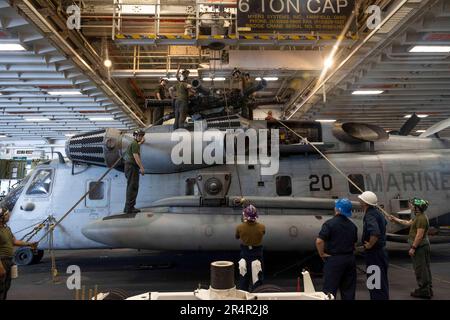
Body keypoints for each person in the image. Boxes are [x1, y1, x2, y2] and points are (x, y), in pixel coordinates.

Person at [389, 197, 432, 299]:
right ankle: (428, 289)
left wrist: (413, 247)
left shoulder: (421, 219)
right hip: (422, 246)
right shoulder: (419, 216)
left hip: (420, 248)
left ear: (417, 207)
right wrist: (395, 219)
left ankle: (424, 291)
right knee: (425, 268)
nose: (410, 205)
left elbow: (419, 235)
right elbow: (408, 223)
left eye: (412, 204)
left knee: (420, 269)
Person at [316, 198, 358, 300]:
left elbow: (319, 241)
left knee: (329, 292)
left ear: (337, 209)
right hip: (350, 259)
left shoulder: (329, 224)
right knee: (348, 291)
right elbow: (355, 244)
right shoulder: (353, 226)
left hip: (334, 260)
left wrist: (321, 254)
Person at [0, 207, 37, 300]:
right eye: (7, 214)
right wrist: (0, 267)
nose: (9, 215)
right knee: (0, 287)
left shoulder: (7, 228)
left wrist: (29, 244)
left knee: (6, 286)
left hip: (8, 260)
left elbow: (14, 241)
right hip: (2, 261)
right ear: (1, 217)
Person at [358, 191, 389, 300]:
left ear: (365, 203)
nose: (359, 201)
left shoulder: (370, 215)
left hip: (374, 255)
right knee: (381, 282)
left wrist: (370, 245)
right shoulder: (377, 212)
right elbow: (384, 224)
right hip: (380, 253)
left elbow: (375, 232)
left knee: (375, 283)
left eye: (361, 199)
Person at [235, 204, 265, 292]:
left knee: (243, 276)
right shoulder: (262, 227)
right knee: (257, 277)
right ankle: (258, 293)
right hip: (257, 254)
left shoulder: (240, 227)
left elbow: (237, 236)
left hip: (245, 253)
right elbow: (263, 233)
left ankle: (243, 294)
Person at [123, 130, 146, 214]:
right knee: (132, 187)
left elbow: (136, 146)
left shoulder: (134, 143)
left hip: (129, 167)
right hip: (132, 167)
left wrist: (141, 143)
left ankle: (128, 207)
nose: (141, 137)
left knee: (131, 186)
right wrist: (142, 168)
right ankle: (129, 208)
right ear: (135, 136)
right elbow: (136, 156)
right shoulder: (135, 144)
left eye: (141, 136)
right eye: (139, 136)